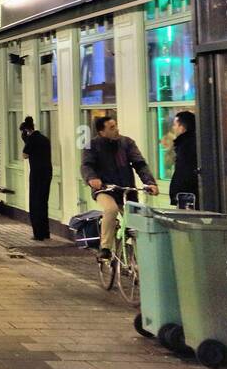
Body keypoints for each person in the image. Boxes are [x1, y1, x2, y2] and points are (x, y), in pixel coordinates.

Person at [81, 115, 158, 261]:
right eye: (111, 127)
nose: (116, 129)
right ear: (101, 132)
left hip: (126, 190)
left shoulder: (127, 143)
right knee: (111, 209)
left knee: (137, 220)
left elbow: (139, 164)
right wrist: (92, 178)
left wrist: (150, 182)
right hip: (105, 189)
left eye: (115, 125)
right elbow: (86, 165)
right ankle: (105, 248)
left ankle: (141, 259)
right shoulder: (92, 146)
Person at [19, 116, 53, 241]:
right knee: (44, 202)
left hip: (36, 173)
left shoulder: (31, 140)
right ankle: (46, 231)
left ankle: (38, 233)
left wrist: (26, 141)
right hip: (47, 172)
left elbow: (25, 155)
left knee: (35, 203)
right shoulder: (45, 139)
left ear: (26, 131)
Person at [169, 110, 199, 209]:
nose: (174, 128)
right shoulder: (190, 143)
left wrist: (177, 191)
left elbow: (183, 172)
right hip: (187, 193)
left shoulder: (185, 146)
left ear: (182, 127)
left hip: (187, 195)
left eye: (175, 125)